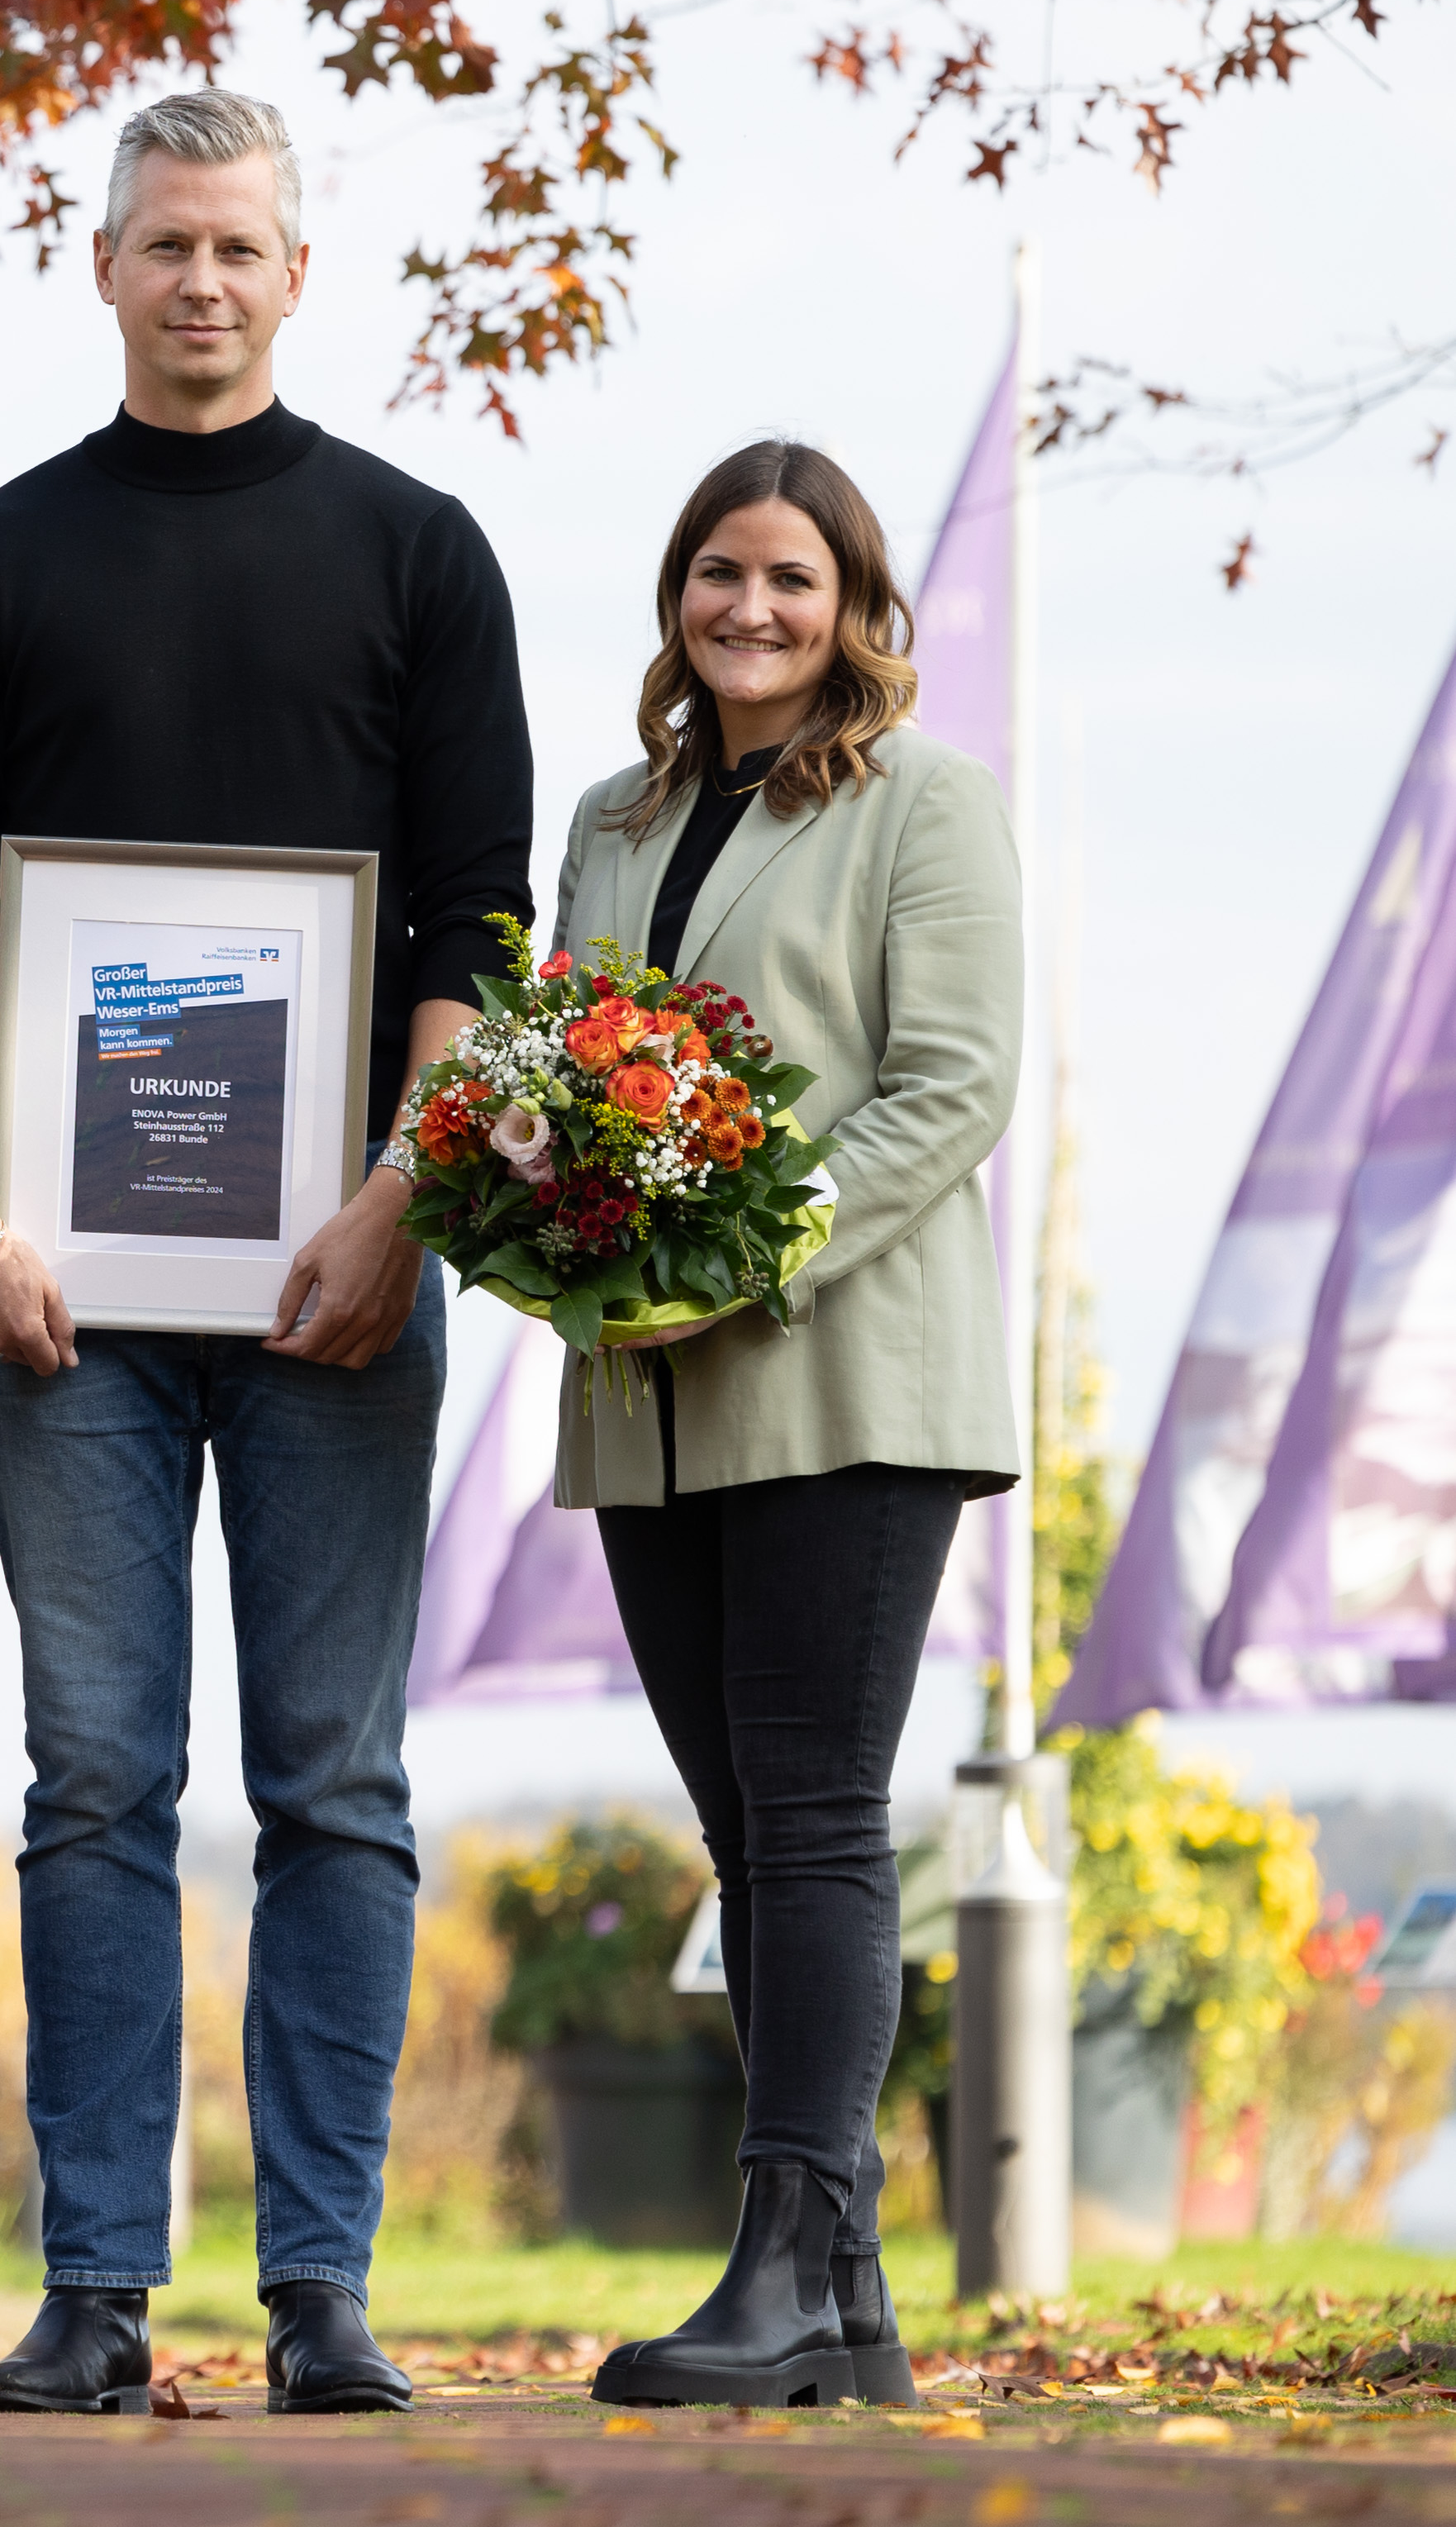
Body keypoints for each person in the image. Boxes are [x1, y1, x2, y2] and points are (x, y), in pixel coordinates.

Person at [0, 88, 536, 2417]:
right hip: (63, 1298)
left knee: (334, 1781)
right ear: (104, 265)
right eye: (164, 242)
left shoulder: (418, 553)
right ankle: (94, 2289)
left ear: (294, 273)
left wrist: (399, 1197)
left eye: (238, 245)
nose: (201, 280)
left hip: (340, 1276)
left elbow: (473, 924)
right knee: (92, 1783)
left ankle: (324, 2288)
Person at [559, 442, 1017, 2409]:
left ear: (852, 609)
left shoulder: (925, 798)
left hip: (844, 1370)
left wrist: (755, 1246)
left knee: (814, 1809)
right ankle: (846, 2305)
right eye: (719, 573)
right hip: (645, 1388)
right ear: (678, 594)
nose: (750, 608)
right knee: (743, 1830)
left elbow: (952, 1084)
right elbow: (563, 1059)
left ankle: (775, 2266)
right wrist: (548, 1210)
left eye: (791, 579)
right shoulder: (613, 815)